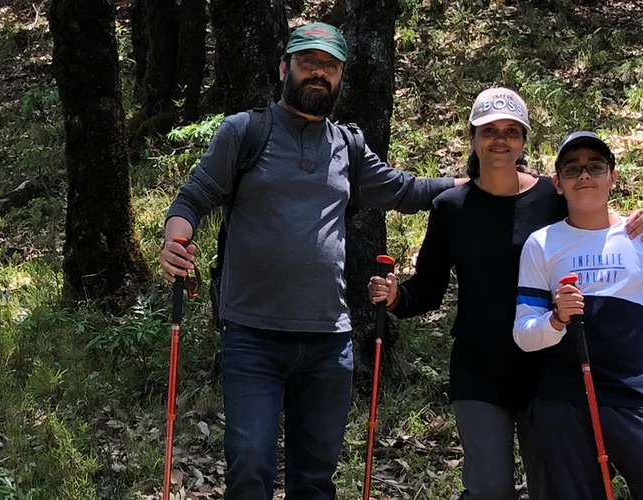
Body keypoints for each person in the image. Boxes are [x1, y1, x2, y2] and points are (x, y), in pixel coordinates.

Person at [160, 22, 461, 499]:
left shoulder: (349, 147)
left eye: (330, 67)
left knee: (315, 481)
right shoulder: (245, 131)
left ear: (340, 78)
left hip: (329, 341)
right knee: (250, 469)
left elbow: (405, 190)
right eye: (308, 63)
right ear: (285, 68)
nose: (318, 73)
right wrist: (175, 243)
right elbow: (192, 198)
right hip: (252, 336)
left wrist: (475, 184)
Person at [367, 88, 643, 500]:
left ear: (525, 140)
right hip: (479, 366)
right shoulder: (450, 207)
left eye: (511, 130)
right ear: (472, 138)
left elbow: (596, 222)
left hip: (548, 369)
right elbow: (430, 290)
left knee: (553, 488)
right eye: (489, 130)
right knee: (490, 489)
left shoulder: (550, 195)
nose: (500, 139)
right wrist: (397, 296)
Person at [512, 131, 643, 499]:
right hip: (565, 398)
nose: (584, 176)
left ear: (612, 177)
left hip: (636, 392)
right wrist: (556, 320)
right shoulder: (542, 243)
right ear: (558, 183)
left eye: (595, 167)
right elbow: (523, 333)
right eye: (572, 168)